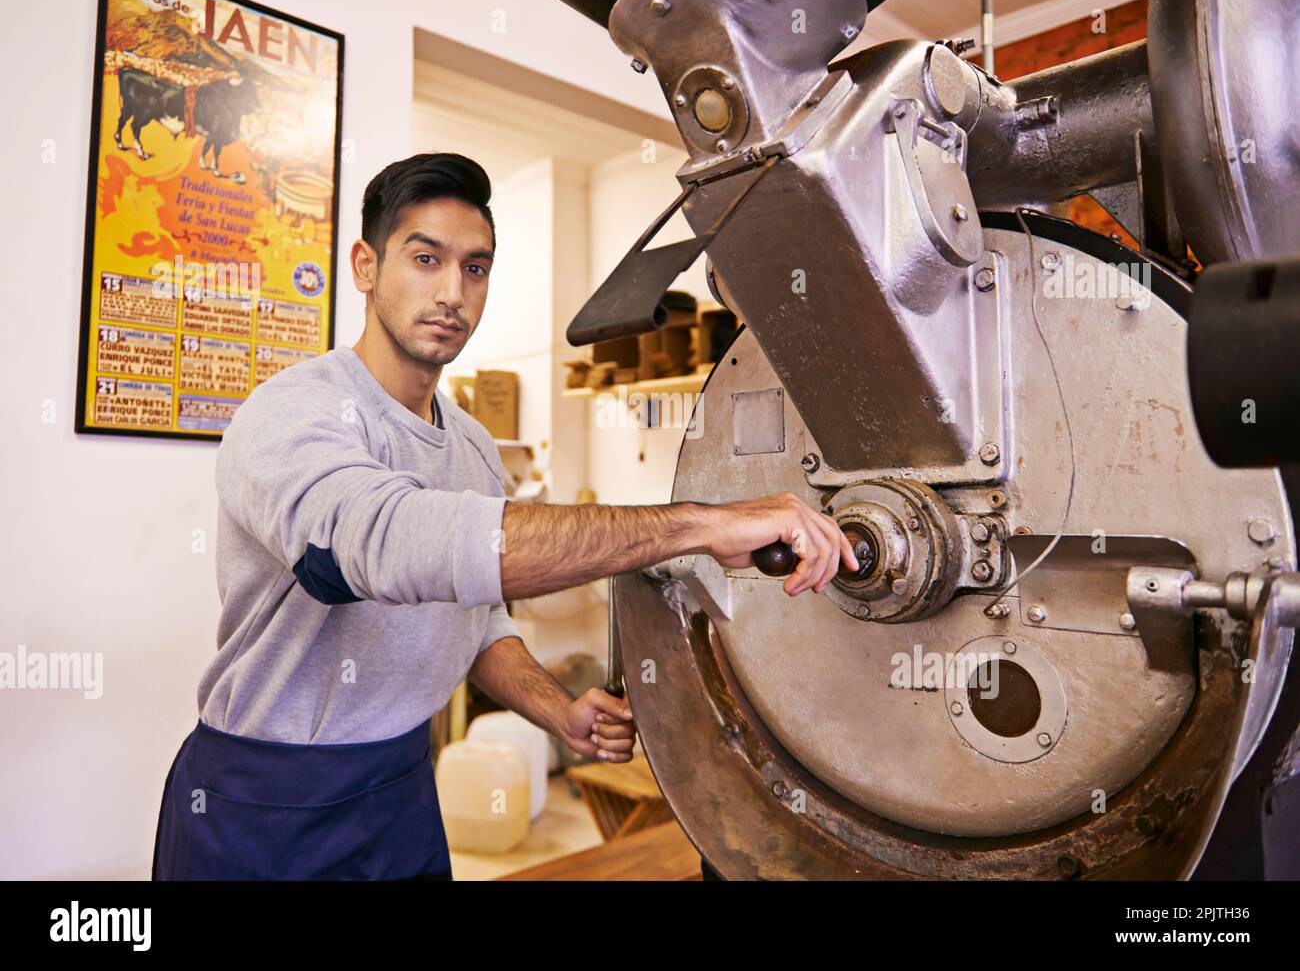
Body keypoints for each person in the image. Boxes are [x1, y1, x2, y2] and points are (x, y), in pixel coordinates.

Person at [151, 152, 857, 880]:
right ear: (365, 265)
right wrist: (700, 523)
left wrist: (556, 709)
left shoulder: (473, 449)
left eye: (475, 269)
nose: (452, 293)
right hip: (265, 801)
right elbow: (380, 546)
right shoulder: (294, 412)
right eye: (425, 259)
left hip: (398, 790)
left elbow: (476, 617)